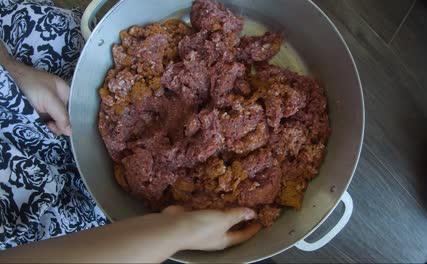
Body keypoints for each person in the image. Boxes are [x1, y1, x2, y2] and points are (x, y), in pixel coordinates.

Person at [0, 1, 260, 262]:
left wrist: (12, 71)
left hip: (23, 91)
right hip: (84, 236)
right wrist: (177, 232)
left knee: (50, 36)